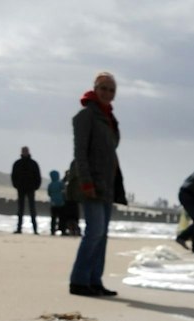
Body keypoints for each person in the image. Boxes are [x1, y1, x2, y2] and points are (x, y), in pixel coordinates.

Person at [69, 70, 126, 297]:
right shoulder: (86, 116)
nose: (107, 93)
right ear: (95, 89)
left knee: (102, 234)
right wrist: (86, 183)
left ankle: (95, 280)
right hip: (91, 183)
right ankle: (79, 281)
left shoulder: (109, 119)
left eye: (111, 90)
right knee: (94, 231)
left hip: (107, 185)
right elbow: (80, 153)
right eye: (103, 88)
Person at [11, 145, 42, 233]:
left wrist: (36, 186)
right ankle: (19, 228)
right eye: (23, 151)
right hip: (20, 188)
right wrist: (16, 185)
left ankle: (35, 229)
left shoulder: (33, 163)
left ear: (28, 152)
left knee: (32, 209)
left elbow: (38, 176)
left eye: (26, 151)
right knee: (20, 209)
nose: (25, 152)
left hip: (31, 188)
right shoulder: (17, 163)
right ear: (21, 152)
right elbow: (13, 176)